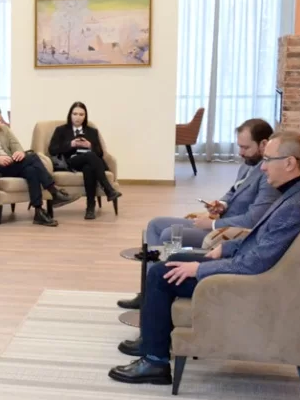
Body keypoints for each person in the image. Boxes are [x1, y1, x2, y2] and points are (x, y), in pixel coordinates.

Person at [109, 132, 300, 385]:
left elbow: (255, 263)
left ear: (289, 163)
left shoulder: (295, 206)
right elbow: (263, 239)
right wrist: (228, 247)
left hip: (249, 281)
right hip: (252, 268)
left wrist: (198, 270)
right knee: (174, 258)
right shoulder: (298, 194)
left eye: (268, 159)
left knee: (160, 274)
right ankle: (153, 340)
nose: (263, 166)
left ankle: (154, 361)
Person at [119, 119, 281, 312]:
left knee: (168, 235)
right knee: (155, 225)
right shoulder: (248, 165)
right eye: (239, 146)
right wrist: (222, 204)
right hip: (220, 221)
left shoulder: (269, 175)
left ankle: (160, 290)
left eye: (245, 147)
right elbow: (233, 192)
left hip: (226, 232)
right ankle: (148, 291)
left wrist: (211, 225)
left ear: (263, 144)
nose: (240, 152)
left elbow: (253, 220)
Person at [0, 105, 78, 227]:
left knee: (32, 171)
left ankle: (39, 211)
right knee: (33, 157)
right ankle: (53, 191)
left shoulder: (4, 130)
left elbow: (16, 145)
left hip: (13, 163)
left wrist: (19, 152)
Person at [47, 102, 121, 220]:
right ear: (70, 115)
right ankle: (108, 189)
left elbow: (100, 153)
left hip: (90, 162)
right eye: (75, 114)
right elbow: (52, 149)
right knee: (90, 156)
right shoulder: (61, 130)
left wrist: (90, 146)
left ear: (85, 116)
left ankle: (90, 208)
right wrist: (71, 144)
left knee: (88, 167)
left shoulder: (92, 131)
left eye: (81, 114)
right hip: (71, 162)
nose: (78, 117)